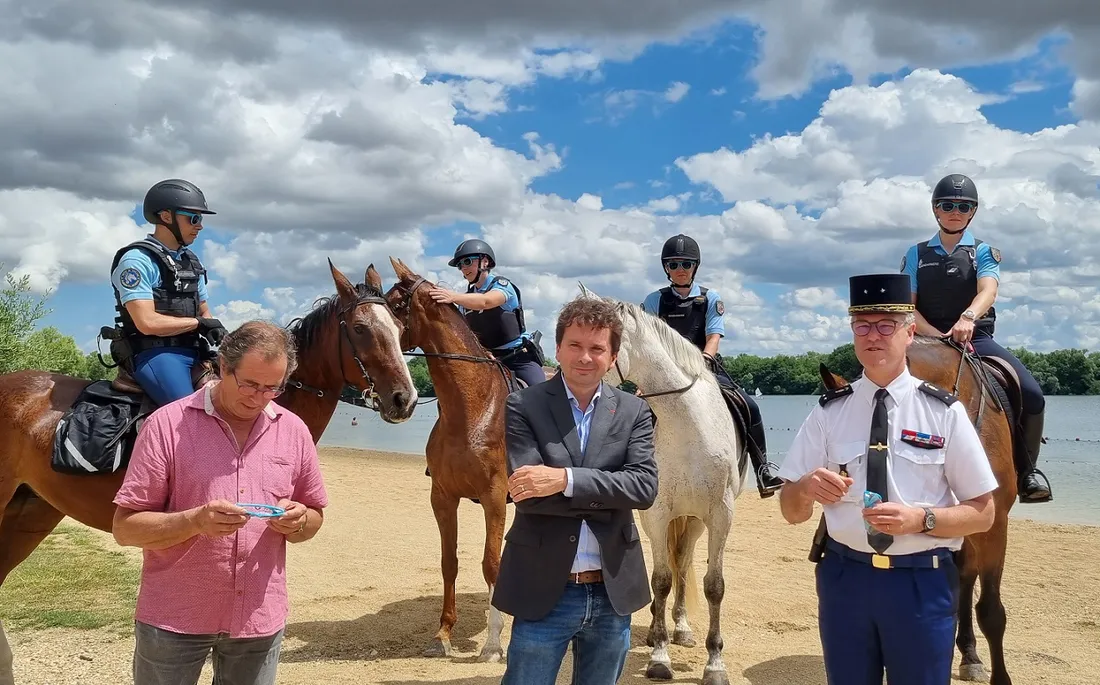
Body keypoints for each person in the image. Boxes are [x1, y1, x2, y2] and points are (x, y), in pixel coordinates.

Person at [777, 273, 998, 685]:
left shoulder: (944, 413)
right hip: (845, 580)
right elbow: (790, 511)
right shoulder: (828, 413)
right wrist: (806, 488)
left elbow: (983, 513)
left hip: (922, 581)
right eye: (862, 325)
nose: (872, 336)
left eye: (886, 325)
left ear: (909, 332)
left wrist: (922, 520)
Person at [112, 321, 328, 685]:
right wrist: (194, 521)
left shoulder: (294, 431)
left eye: (272, 389)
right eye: (249, 384)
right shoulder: (166, 425)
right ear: (223, 367)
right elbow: (125, 529)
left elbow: (314, 515)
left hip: (258, 618)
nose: (258, 398)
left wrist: (300, 520)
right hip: (175, 616)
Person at [492, 296, 659, 685]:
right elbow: (529, 496)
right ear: (558, 349)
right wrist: (609, 490)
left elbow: (644, 488)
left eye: (597, 348)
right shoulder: (521, 405)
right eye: (575, 346)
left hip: (612, 590)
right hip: (543, 586)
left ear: (613, 357)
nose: (585, 357)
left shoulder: (635, 412)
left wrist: (565, 479)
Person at [901, 173, 1052, 503]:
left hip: (974, 337)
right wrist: (933, 333)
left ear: (973, 211)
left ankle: (1027, 472)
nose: (955, 211)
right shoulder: (915, 253)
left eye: (963, 206)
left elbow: (989, 290)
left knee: (1032, 393)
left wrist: (968, 317)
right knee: (868, 381)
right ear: (935, 210)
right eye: (948, 205)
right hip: (926, 338)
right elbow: (907, 306)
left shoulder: (984, 251)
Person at [641, 233, 782, 498]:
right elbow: (650, 343)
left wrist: (702, 362)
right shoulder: (653, 301)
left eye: (686, 264)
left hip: (705, 368)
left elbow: (713, 337)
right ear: (665, 268)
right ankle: (627, 469)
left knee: (748, 405)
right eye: (673, 264)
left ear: (696, 266)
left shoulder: (709, 299)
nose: (680, 270)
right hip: (664, 374)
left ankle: (762, 468)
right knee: (633, 411)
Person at [109, 179, 229, 407]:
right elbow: (146, 322)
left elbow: (205, 312)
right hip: (156, 355)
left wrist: (220, 332)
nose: (200, 225)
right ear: (166, 217)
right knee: (190, 413)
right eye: (193, 218)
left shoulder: (191, 262)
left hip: (195, 351)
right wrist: (198, 324)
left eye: (200, 219)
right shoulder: (137, 261)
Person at [427, 238, 547, 389]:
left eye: (467, 261)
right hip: (489, 361)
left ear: (484, 261)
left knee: (542, 396)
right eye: (460, 265)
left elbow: (486, 301)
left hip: (519, 358)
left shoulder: (502, 286)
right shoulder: (466, 300)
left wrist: (452, 297)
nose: (463, 268)